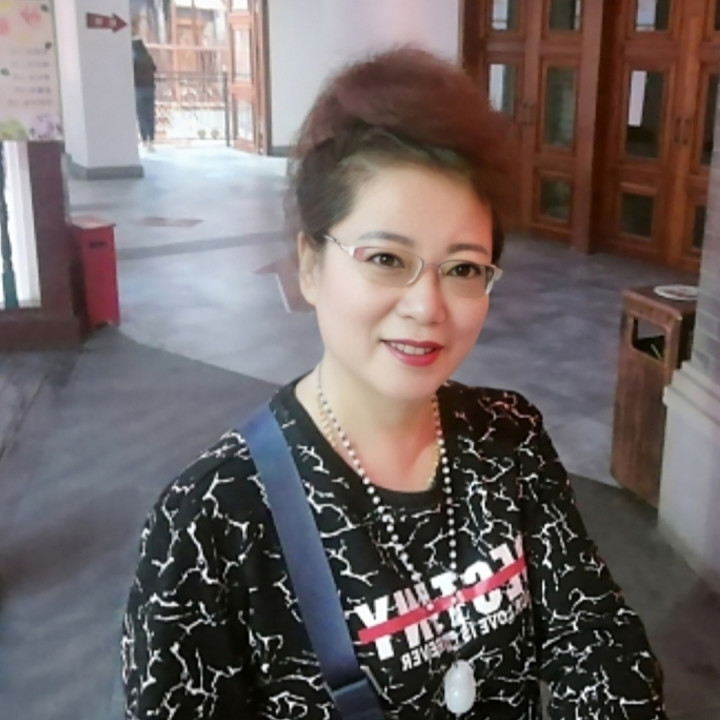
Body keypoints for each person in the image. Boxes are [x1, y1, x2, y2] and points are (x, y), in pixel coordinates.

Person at [121, 48, 666, 719]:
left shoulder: (508, 438)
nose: (427, 307)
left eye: (463, 269)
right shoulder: (213, 519)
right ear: (310, 265)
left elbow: (597, 641)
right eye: (385, 258)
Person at [131, 27, 157, 152]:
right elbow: (154, 69)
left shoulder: (134, 58)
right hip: (150, 88)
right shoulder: (148, 57)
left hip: (139, 89)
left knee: (141, 115)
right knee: (150, 114)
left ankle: (144, 139)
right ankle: (151, 138)